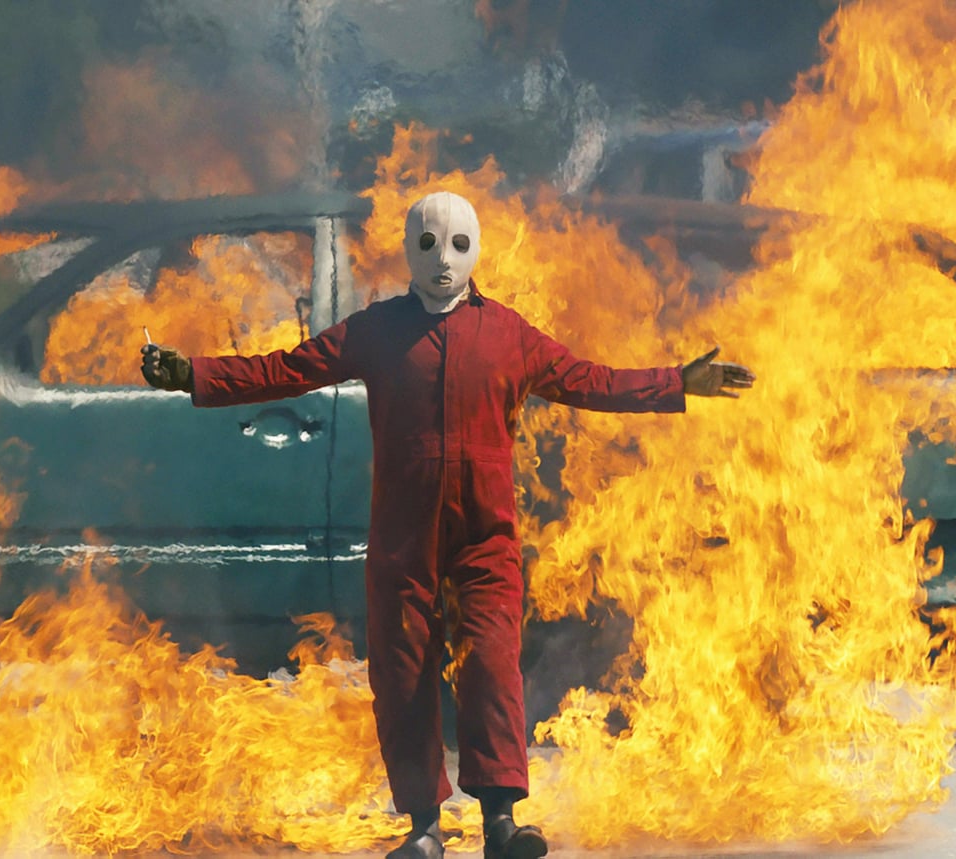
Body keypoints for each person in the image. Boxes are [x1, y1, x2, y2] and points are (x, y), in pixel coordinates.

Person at [140, 191, 753, 859]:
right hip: (403, 537)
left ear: (477, 250)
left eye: (459, 245)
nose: (443, 259)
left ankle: (501, 823)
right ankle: (424, 829)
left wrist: (676, 382)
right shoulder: (377, 331)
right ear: (408, 251)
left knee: (492, 665)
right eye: (429, 244)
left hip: (486, 535)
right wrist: (193, 375)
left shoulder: (509, 335)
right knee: (403, 674)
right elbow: (286, 369)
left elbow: (589, 380)